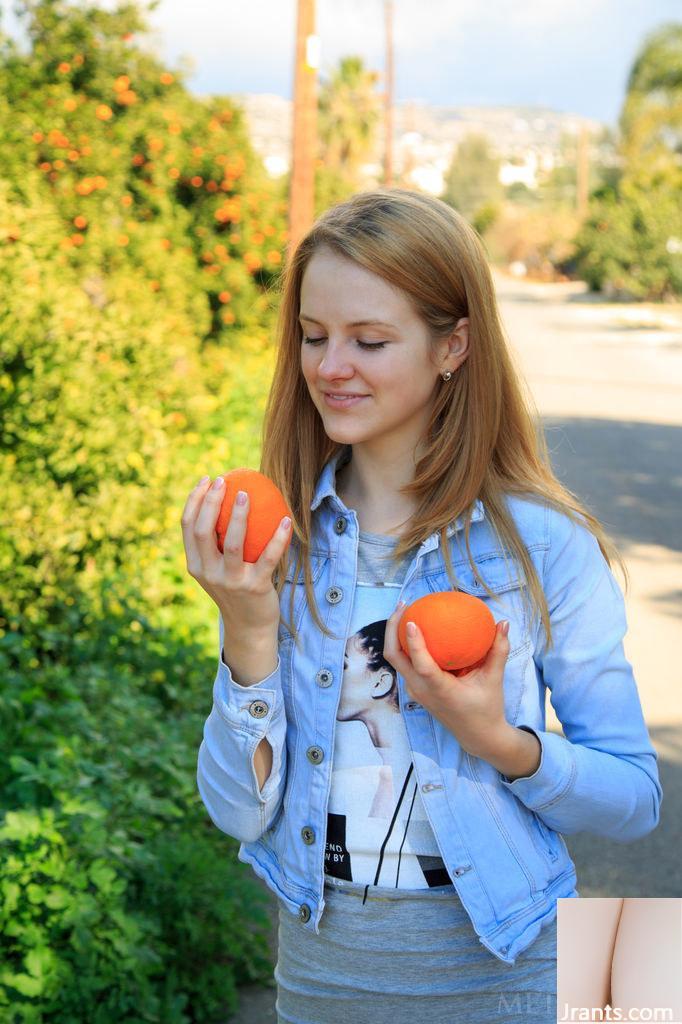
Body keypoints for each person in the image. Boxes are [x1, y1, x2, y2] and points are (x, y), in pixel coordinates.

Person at [182, 188, 662, 1024]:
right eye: (313, 335)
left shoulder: (547, 543)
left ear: (454, 346)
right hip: (325, 975)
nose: (331, 366)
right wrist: (246, 627)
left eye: (369, 340)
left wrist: (498, 742)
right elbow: (235, 811)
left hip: (531, 964)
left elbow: (638, 801)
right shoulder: (279, 545)